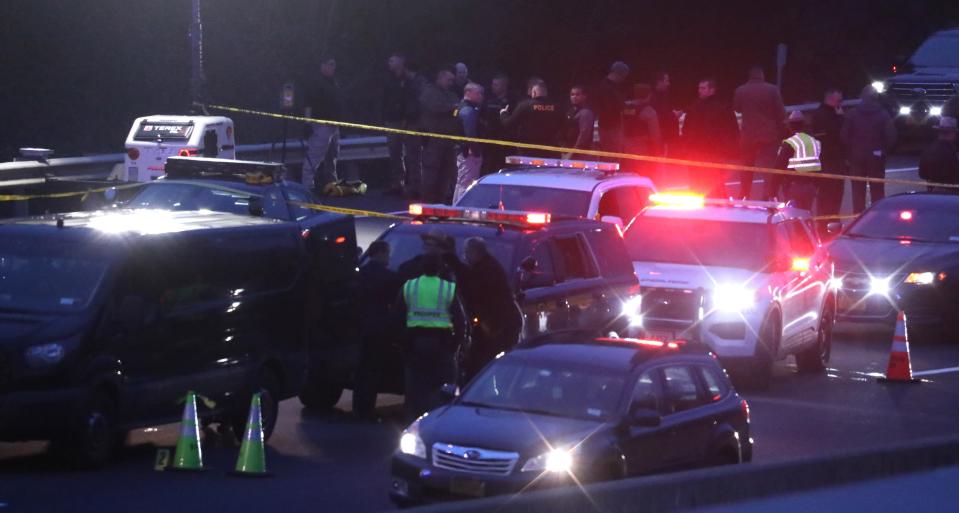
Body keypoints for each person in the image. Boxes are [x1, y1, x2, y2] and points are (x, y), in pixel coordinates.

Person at [396, 252, 465, 421]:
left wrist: (403, 344)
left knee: (415, 388)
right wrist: (454, 346)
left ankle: (413, 422)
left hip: (415, 343)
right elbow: (460, 321)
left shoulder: (409, 287)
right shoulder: (448, 288)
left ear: (421, 268)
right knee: (445, 387)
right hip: (442, 344)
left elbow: (396, 317)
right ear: (440, 268)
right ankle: (441, 421)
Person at [444, 237, 523, 383]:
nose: (465, 256)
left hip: (501, 327)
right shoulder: (485, 267)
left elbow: (473, 287)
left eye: (466, 252)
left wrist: (453, 262)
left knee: (485, 364)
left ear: (475, 252)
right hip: (492, 326)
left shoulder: (488, 270)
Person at [352, 241, 403, 420]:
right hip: (379, 328)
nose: (389, 257)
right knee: (373, 370)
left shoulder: (360, 274)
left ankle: (358, 407)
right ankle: (367, 409)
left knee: (360, 370)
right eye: (387, 253)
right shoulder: (389, 277)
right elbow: (396, 303)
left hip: (360, 327)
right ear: (380, 253)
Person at [841, 85, 897, 214]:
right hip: (876, 157)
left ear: (862, 97)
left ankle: (858, 218)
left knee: (857, 190)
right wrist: (883, 150)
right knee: (877, 189)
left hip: (856, 157)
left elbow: (844, 136)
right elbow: (891, 136)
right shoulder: (883, 114)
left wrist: (851, 151)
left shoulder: (852, 114)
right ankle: (877, 216)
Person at [734, 66, 787, 199]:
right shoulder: (772, 89)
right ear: (762, 75)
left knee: (747, 166)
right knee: (769, 167)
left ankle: (744, 195)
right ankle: (768, 195)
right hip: (769, 135)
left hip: (748, 136)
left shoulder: (741, 90)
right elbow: (781, 112)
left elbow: (737, 108)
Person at [682, 78, 739, 198]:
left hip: (714, 153)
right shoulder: (694, 106)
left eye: (703, 88)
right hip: (696, 152)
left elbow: (731, 131)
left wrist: (727, 150)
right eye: (699, 88)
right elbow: (686, 129)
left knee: (714, 182)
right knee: (697, 182)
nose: (699, 91)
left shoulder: (722, 107)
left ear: (712, 90)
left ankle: (718, 205)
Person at [302, 55, 346, 195]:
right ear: (323, 65)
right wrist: (308, 123)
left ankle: (331, 185)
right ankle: (307, 186)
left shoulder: (333, 82)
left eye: (334, 64)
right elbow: (308, 104)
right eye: (330, 64)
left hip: (334, 125)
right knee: (315, 156)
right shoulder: (316, 83)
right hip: (321, 124)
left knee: (332, 156)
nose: (333, 67)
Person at [382, 52, 425, 196]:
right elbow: (385, 98)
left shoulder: (412, 78)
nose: (390, 64)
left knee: (413, 153)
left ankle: (415, 185)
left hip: (409, 119)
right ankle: (397, 183)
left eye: (392, 60)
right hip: (393, 119)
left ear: (401, 61)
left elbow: (414, 99)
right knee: (395, 152)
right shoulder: (388, 79)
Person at [419, 67, 461, 203]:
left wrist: (454, 109)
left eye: (452, 80)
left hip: (449, 140)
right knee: (431, 172)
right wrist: (452, 107)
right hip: (433, 139)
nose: (451, 83)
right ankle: (428, 201)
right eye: (448, 80)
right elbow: (435, 108)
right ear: (440, 78)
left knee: (446, 173)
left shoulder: (451, 95)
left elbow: (456, 112)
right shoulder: (429, 92)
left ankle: (441, 201)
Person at [811, 89, 847, 232]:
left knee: (828, 195)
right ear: (830, 99)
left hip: (827, 160)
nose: (841, 104)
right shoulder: (828, 116)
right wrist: (840, 118)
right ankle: (827, 224)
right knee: (831, 194)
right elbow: (838, 134)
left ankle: (826, 222)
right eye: (839, 101)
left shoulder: (819, 114)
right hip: (831, 160)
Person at [500, 82, 563, 157]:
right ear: (546, 93)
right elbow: (564, 127)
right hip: (550, 150)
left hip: (528, 150)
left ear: (534, 93)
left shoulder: (524, 105)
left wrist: (503, 113)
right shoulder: (557, 107)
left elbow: (508, 124)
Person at [775, 111, 823, 211]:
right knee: (807, 215)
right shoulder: (813, 141)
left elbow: (779, 167)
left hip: (793, 187)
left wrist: (772, 191)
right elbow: (820, 164)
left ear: (790, 126)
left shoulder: (789, 143)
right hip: (810, 187)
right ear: (803, 124)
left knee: (795, 218)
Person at [453, 83, 486, 203]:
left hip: (462, 150)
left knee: (461, 183)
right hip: (468, 153)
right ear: (468, 93)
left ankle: (456, 210)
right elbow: (470, 133)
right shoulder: (468, 111)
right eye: (478, 93)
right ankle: (461, 213)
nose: (481, 96)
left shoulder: (460, 107)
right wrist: (475, 151)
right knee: (467, 184)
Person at [622, 83, 662, 176]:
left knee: (628, 174)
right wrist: (658, 151)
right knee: (643, 174)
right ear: (648, 95)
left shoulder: (625, 108)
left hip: (626, 147)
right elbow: (655, 134)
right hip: (643, 148)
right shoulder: (648, 111)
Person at [481, 73, 517, 175]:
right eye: (493, 84)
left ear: (504, 86)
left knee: (505, 169)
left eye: (496, 85)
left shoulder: (512, 101)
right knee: (489, 168)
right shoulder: (488, 100)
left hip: (506, 142)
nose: (493, 87)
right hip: (490, 141)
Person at [596, 61, 632, 153]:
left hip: (611, 126)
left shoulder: (611, 86)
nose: (624, 79)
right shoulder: (606, 88)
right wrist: (624, 106)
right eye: (624, 76)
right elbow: (610, 108)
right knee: (612, 155)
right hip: (609, 128)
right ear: (619, 74)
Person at [918, 116, 959, 191]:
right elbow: (955, 174)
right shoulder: (949, 151)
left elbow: (922, 174)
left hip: (932, 190)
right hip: (949, 193)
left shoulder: (929, 148)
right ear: (952, 133)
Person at [650, 71, 680, 155]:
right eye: (666, 81)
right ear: (660, 82)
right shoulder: (651, 97)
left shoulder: (664, 96)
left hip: (664, 138)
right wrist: (673, 115)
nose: (668, 83)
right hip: (655, 139)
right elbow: (658, 116)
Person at [563, 85, 596, 160]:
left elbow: (583, 135)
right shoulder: (570, 111)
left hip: (580, 154)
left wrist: (571, 153)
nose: (574, 97)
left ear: (584, 96)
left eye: (577, 94)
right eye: (572, 94)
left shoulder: (586, 112)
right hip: (567, 151)